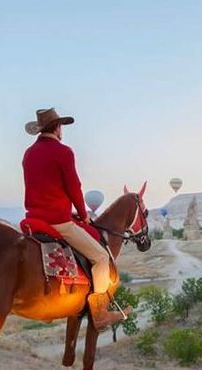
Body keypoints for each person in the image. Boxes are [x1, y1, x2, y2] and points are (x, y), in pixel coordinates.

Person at [22, 108, 127, 329]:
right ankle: (99, 313)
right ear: (58, 127)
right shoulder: (63, 152)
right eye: (62, 127)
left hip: (33, 217)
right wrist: (83, 213)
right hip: (57, 221)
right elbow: (74, 187)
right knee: (100, 257)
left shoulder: (29, 153)